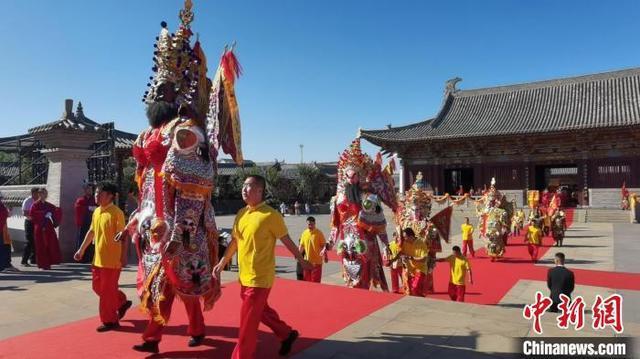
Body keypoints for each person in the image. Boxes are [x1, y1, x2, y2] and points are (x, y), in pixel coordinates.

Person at [213, 175, 312, 358]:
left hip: (260, 278)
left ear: (260, 190)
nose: (244, 189)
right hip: (244, 276)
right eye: (243, 186)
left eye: (249, 186)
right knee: (261, 312)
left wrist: (301, 259)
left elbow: (287, 240)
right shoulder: (241, 213)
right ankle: (286, 334)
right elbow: (235, 241)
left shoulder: (270, 215)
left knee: (247, 325)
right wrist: (222, 262)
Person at [74, 182, 132, 332]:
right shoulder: (97, 212)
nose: (96, 195)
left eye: (100, 193)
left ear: (110, 196)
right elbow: (91, 232)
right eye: (96, 193)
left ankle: (110, 321)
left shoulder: (116, 213)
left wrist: (124, 256)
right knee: (97, 287)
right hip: (98, 259)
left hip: (112, 260)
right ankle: (121, 302)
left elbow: (124, 237)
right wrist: (81, 249)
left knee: (106, 292)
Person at [29, 188, 62, 270]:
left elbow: (57, 210)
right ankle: (42, 264)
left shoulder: (48, 205)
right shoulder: (35, 205)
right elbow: (32, 214)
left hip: (48, 227)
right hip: (39, 227)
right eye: (40, 193)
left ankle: (49, 262)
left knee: (50, 244)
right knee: (41, 245)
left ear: (46, 195)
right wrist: (43, 214)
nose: (41, 195)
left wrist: (54, 215)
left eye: (43, 193)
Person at [398, 228, 428, 297]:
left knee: (415, 288)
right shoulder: (404, 243)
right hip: (409, 270)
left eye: (405, 237)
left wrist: (411, 258)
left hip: (420, 269)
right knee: (409, 291)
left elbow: (424, 259)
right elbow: (401, 253)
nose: (404, 239)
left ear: (411, 236)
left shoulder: (421, 243)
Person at [298, 216, 327, 283]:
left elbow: (323, 246)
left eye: (311, 224)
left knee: (315, 283)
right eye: (308, 224)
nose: (310, 226)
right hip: (307, 262)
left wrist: (325, 256)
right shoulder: (304, 233)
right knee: (307, 282)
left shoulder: (319, 233)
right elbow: (301, 245)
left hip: (317, 262)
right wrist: (298, 255)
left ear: (315, 224)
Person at [75, 183, 97, 264]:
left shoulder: (94, 199)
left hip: (93, 222)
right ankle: (81, 257)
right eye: (88, 189)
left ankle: (91, 257)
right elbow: (78, 208)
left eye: (91, 189)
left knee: (92, 241)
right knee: (83, 239)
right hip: (84, 222)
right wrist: (87, 208)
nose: (90, 191)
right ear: (85, 190)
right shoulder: (81, 200)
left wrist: (96, 208)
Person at [21, 187, 39, 266]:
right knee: (29, 241)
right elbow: (25, 213)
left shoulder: (38, 201)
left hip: (37, 222)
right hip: (29, 222)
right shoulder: (28, 201)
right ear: (32, 193)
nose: (38, 195)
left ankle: (33, 259)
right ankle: (24, 260)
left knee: (36, 240)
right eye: (36, 193)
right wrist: (32, 217)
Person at [0, 194, 14, 271]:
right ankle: (5, 265)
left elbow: (7, 215)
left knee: (6, 247)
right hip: (2, 230)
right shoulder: (1, 206)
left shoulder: (2, 206)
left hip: (3, 229)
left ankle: (6, 264)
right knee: (3, 248)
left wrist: (9, 210)